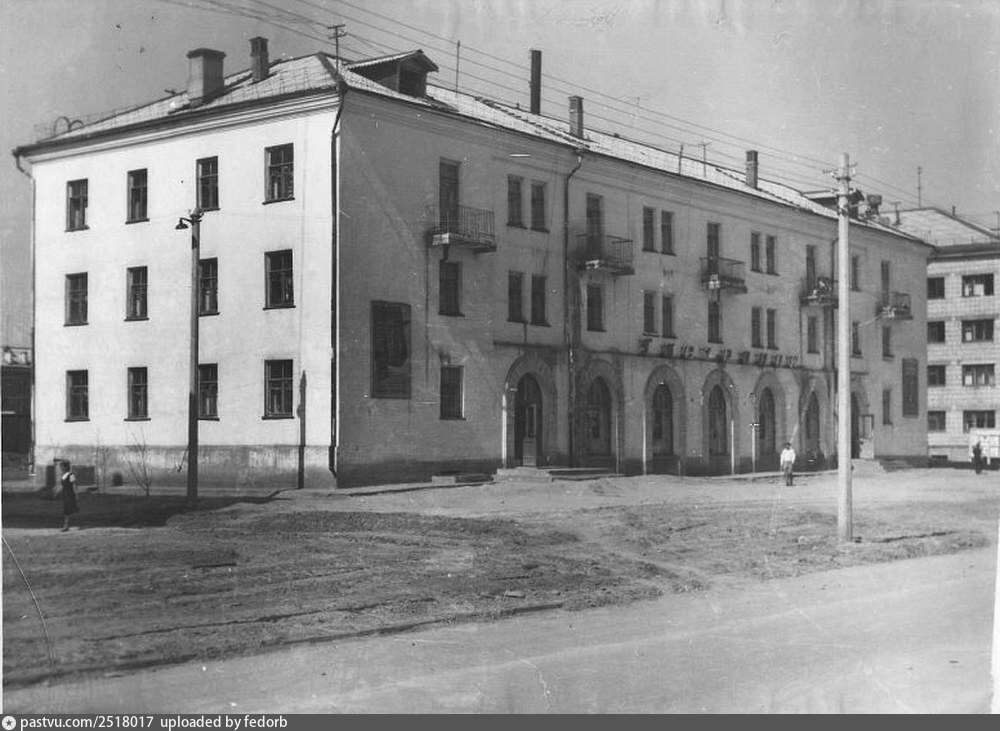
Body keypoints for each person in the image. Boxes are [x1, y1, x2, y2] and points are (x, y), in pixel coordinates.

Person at [58, 461, 79, 532]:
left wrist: (76, 494)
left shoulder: (71, 475)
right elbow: (61, 485)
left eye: (61, 466)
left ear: (65, 467)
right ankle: (67, 525)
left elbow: (74, 485)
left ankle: (66, 526)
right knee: (67, 509)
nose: (60, 468)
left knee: (67, 510)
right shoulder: (63, 475)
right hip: (64, 494)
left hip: (70, 494)